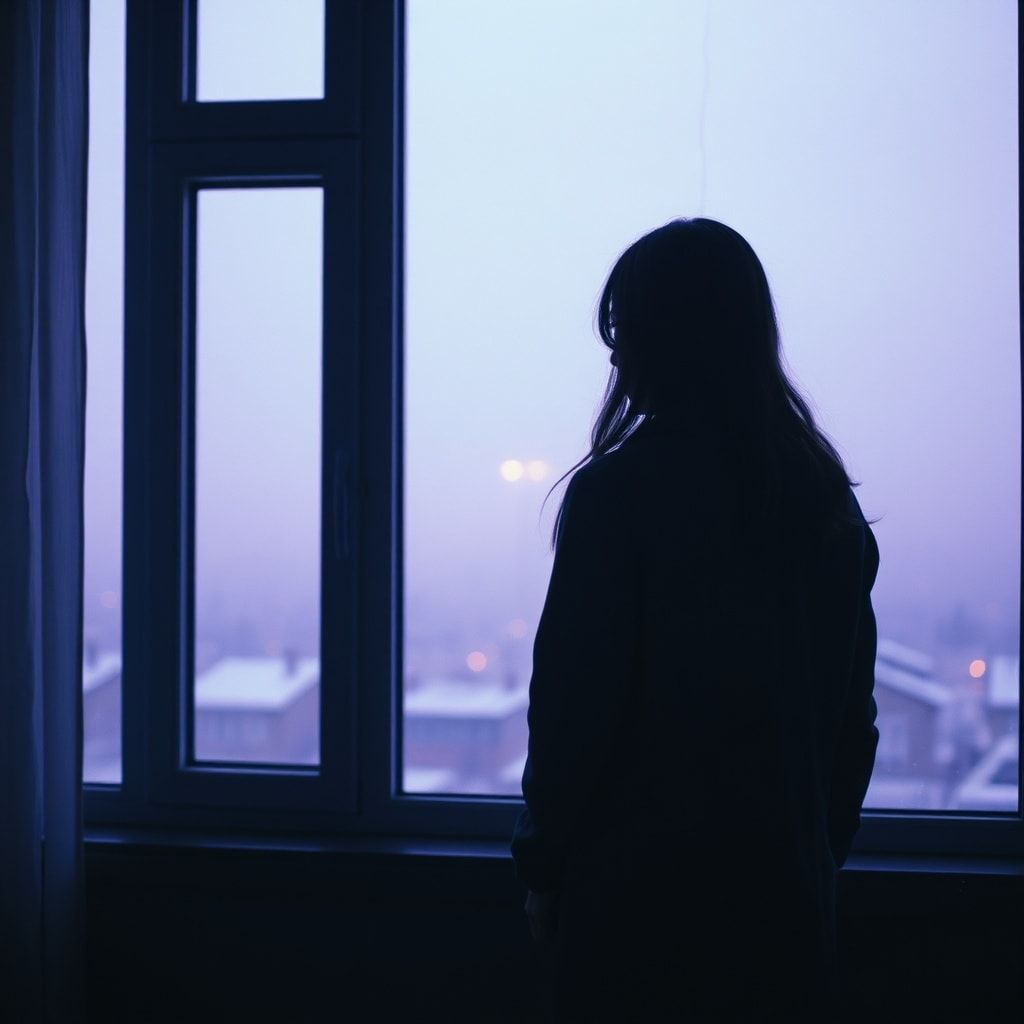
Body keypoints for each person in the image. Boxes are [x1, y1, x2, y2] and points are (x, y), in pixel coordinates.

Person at [510, 218, 880, 1022]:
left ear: (670, 337)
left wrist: (545, 866)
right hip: (783, 924)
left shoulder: (620, 497)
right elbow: (852, 729)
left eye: (626, 330)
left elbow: (574, 713)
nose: (615, 355)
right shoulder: (823, 506)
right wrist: (809, 857)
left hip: (635, 917)